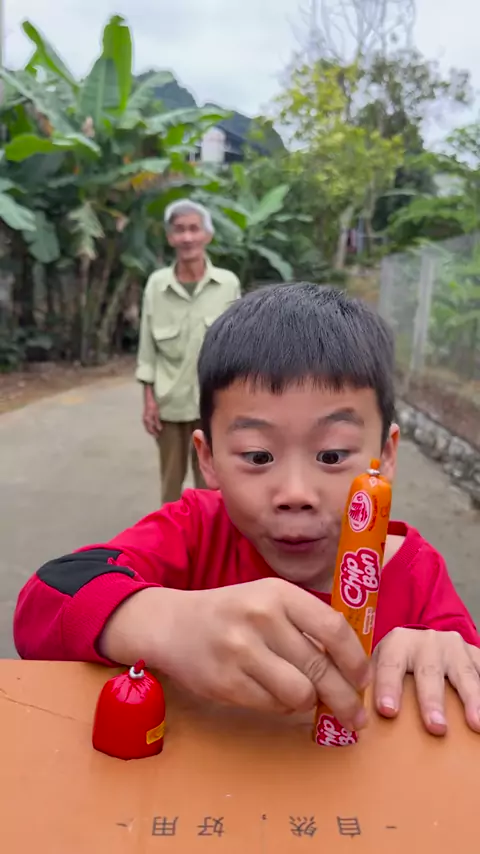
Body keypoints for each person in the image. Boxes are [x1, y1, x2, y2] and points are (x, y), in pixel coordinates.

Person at [13, 283, 480, 739]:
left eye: (332, 455)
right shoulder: (196, 531)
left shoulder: (419, 577)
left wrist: (441, 654)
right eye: (258, 456)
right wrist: (170, 624)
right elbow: (41, 606)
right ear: (208, 458)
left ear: (387, 454)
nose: (295, 493)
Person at [136, 199, 241, 504]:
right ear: (170, 237)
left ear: (207, 235)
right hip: (169, 405)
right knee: (170, 485)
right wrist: (148, 401)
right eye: (179, 230)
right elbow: (147, 348)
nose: (187, 237)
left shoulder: (227, 284)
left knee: (212, 487)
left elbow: (237, 348)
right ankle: (173, 534)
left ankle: (209, 534)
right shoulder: (157, 285)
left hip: (214, 405)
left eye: (194, 229)